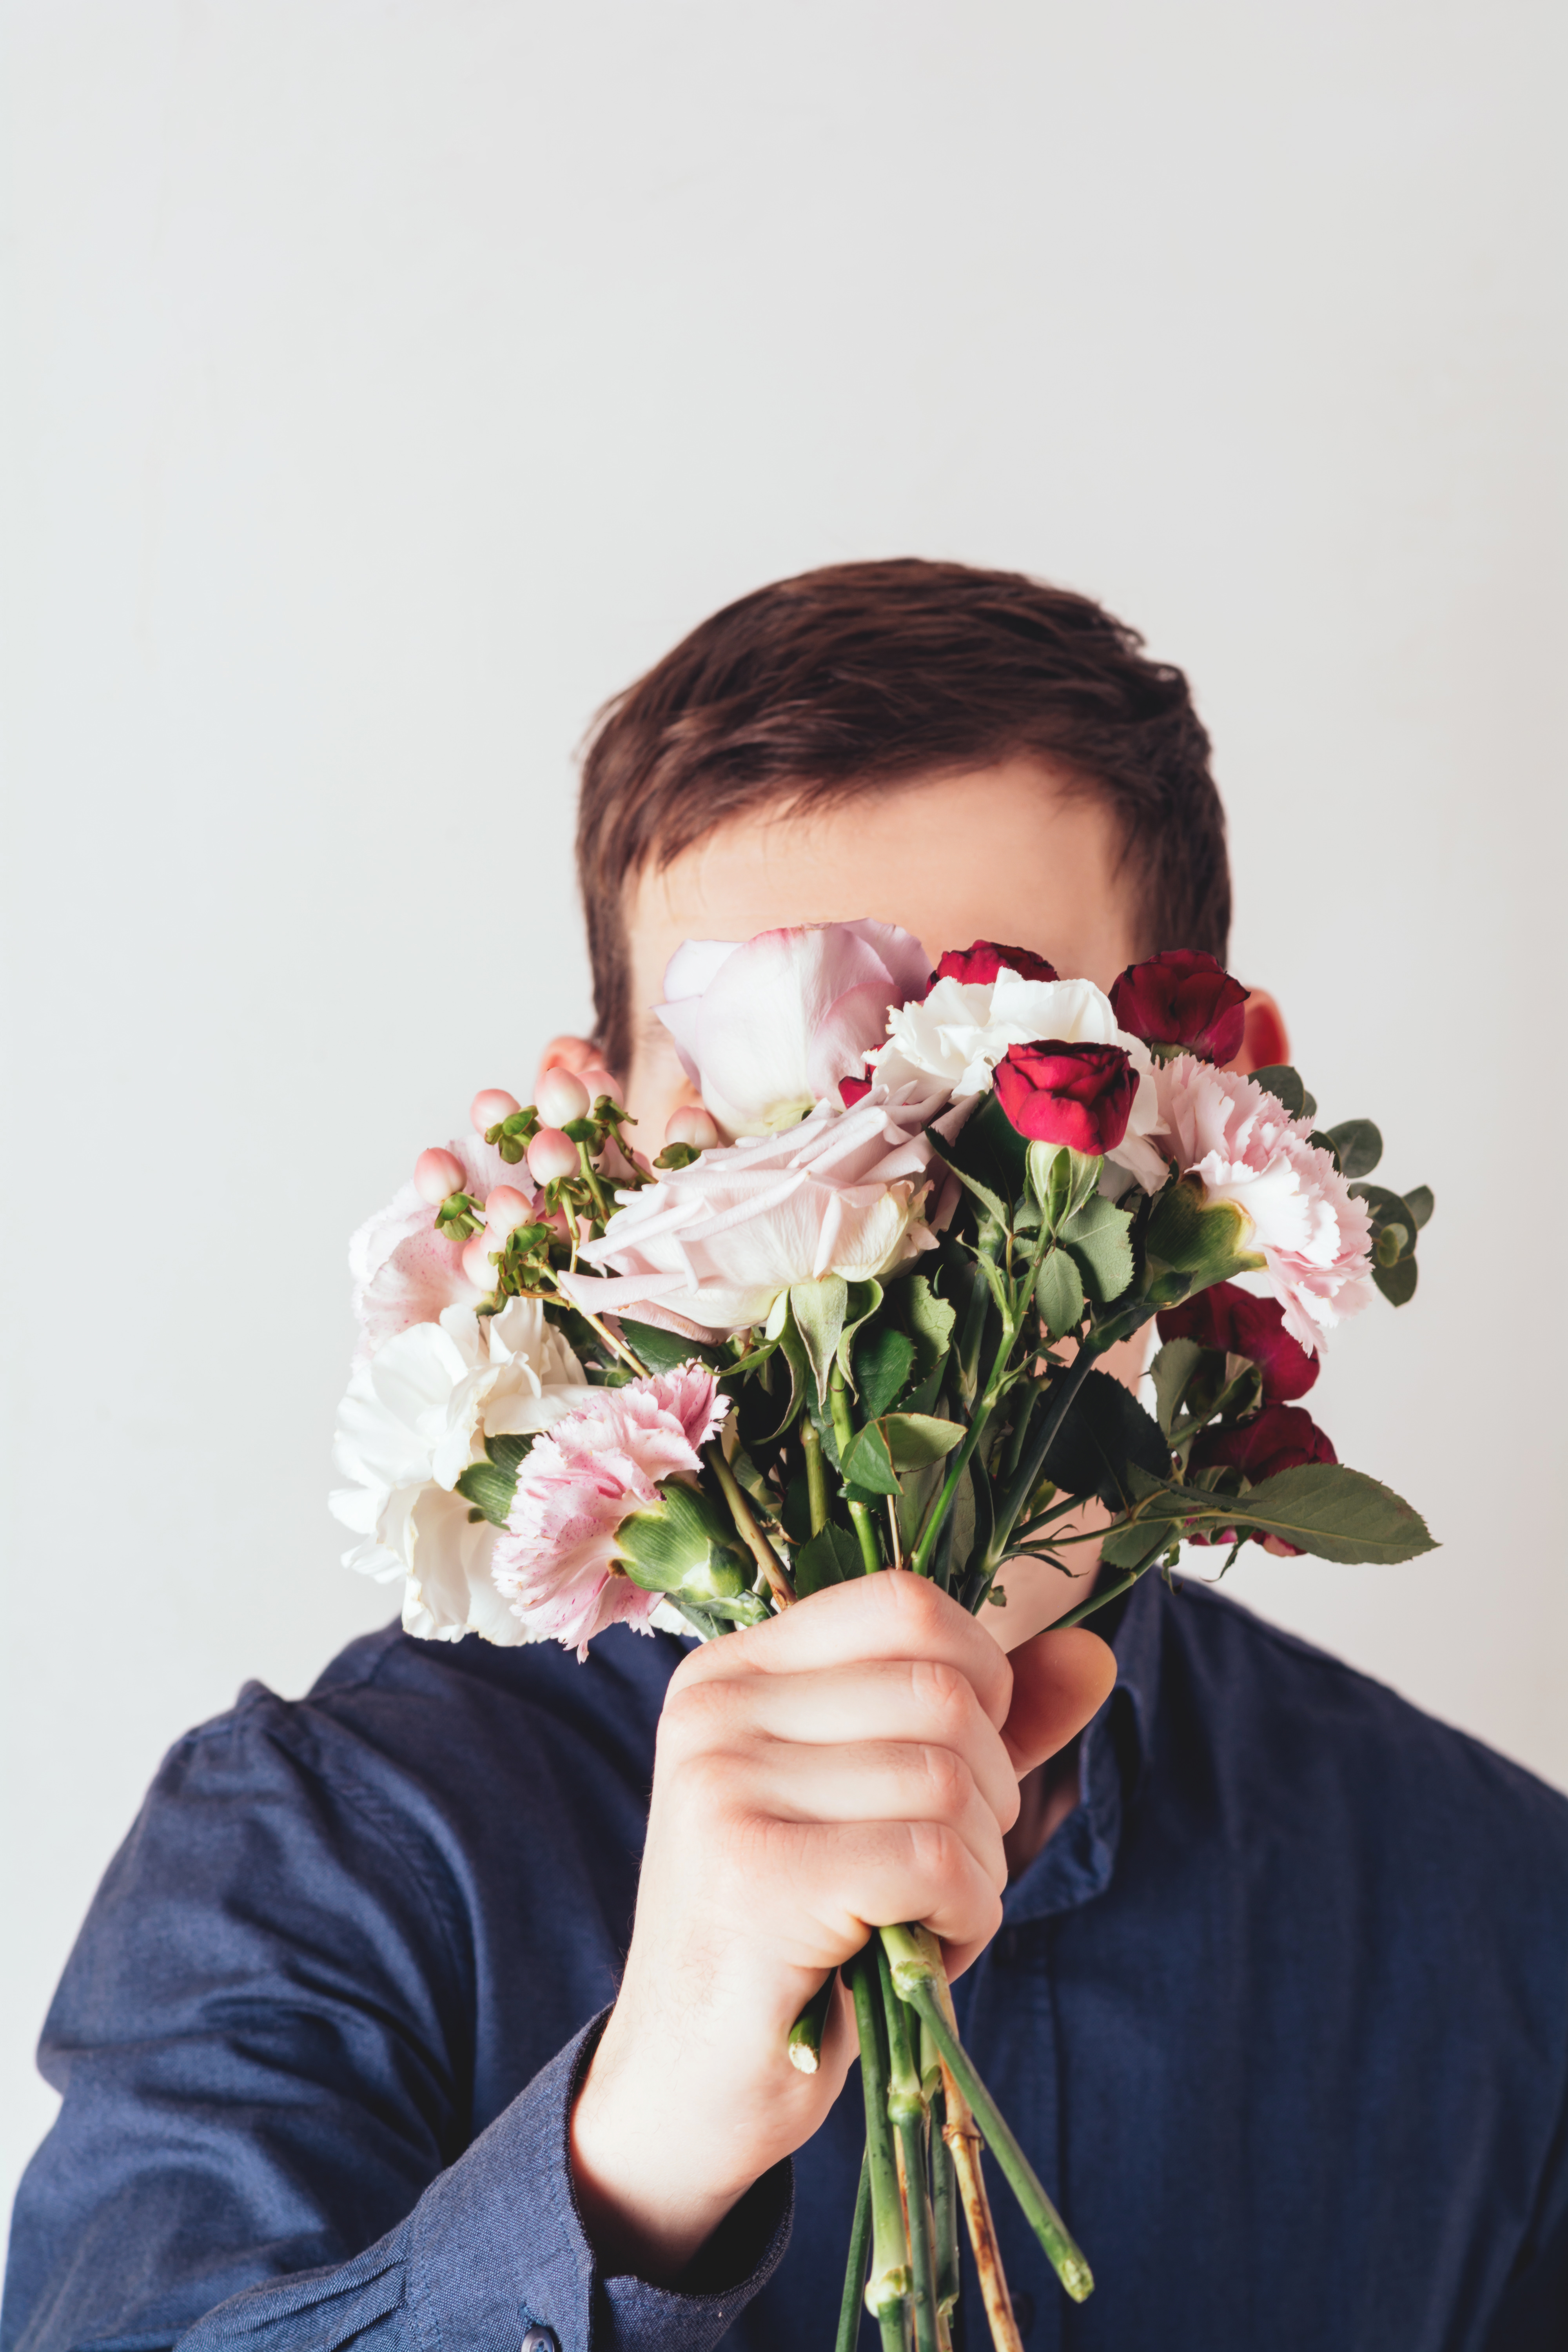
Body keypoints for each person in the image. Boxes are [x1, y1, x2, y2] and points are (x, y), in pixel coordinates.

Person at [5, 561, 1565, 2352]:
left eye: (976, 1078)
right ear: (597, 1153)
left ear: (1221, 1110)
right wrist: (637, 2150)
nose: (873, 1221)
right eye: (758, 1120)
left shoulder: (1502, 1927)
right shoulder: (322, 1853)